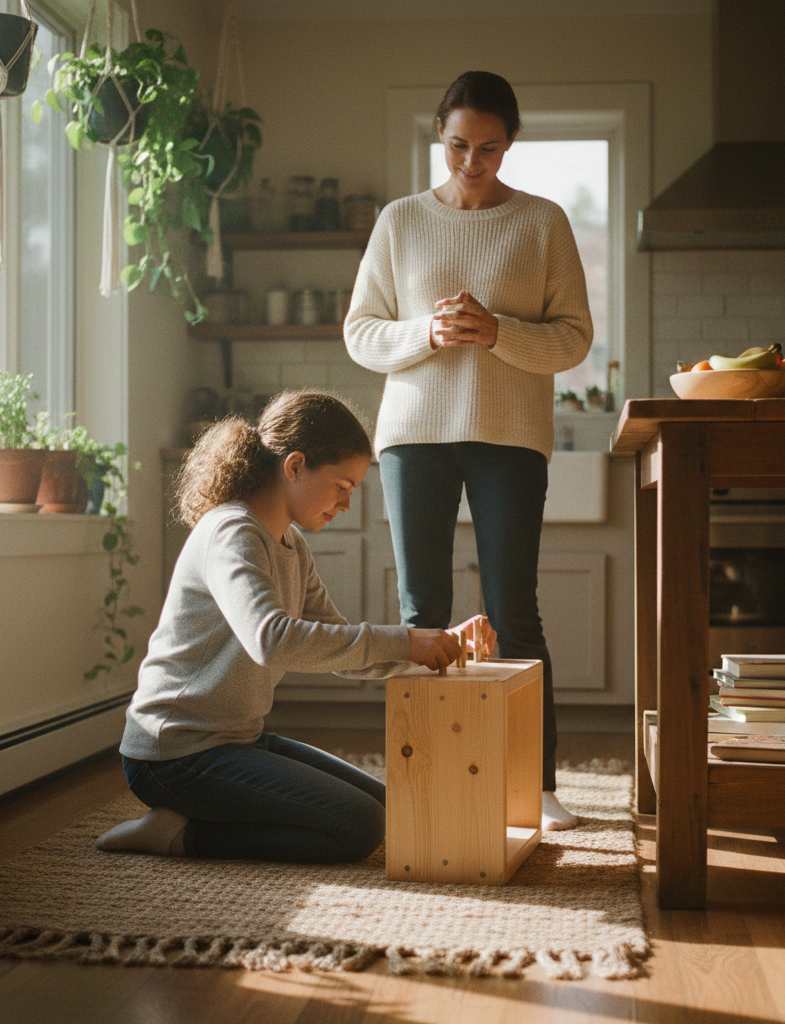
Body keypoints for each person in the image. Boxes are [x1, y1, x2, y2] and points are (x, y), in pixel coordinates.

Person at [344, 71, 593, 830]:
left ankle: (538, 785)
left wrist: (499, 333)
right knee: (423, 612)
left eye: (487, 148)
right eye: (457, 146)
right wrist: (425, 331)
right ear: (439, 137)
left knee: (513, 610)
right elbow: (360, 331)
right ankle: (426, 782)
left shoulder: (544, 223)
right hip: (413, 438)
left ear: (509, 143)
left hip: (510, 438)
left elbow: (575, 338)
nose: (471, 162)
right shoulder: (399, 220)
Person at [96, 390, 460, 862]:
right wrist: (406, 641)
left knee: (388, 806)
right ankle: (177, 836)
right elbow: (271, 640)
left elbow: (340, 650)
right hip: (174, 756)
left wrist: (433, 656)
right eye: (342, 485)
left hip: (236, 738)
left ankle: (195, 817)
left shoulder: (290, 544)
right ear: (294, 466)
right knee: (359, 827)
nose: (346, 503)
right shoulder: (232, 532)